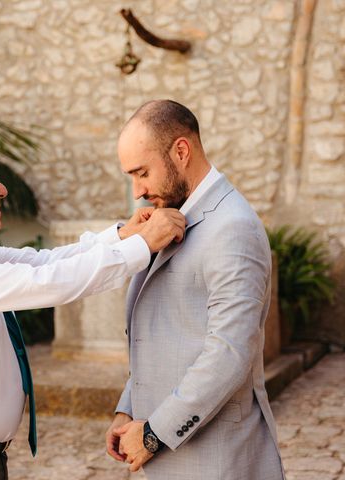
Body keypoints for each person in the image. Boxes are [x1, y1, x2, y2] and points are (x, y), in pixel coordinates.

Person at [0, 142, 185, 480]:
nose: (0, 190)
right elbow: (45, 282)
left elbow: (44, 261)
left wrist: (123, 236)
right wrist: (144, 245)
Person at [105, 100, 284, 479]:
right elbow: (164, 332)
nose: (138, 191)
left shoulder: (232, 227)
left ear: (181, 151)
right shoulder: (171, 215)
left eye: (142, 173)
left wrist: (153, 435)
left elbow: (229, 352)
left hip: (216, 458)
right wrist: (129, 406)